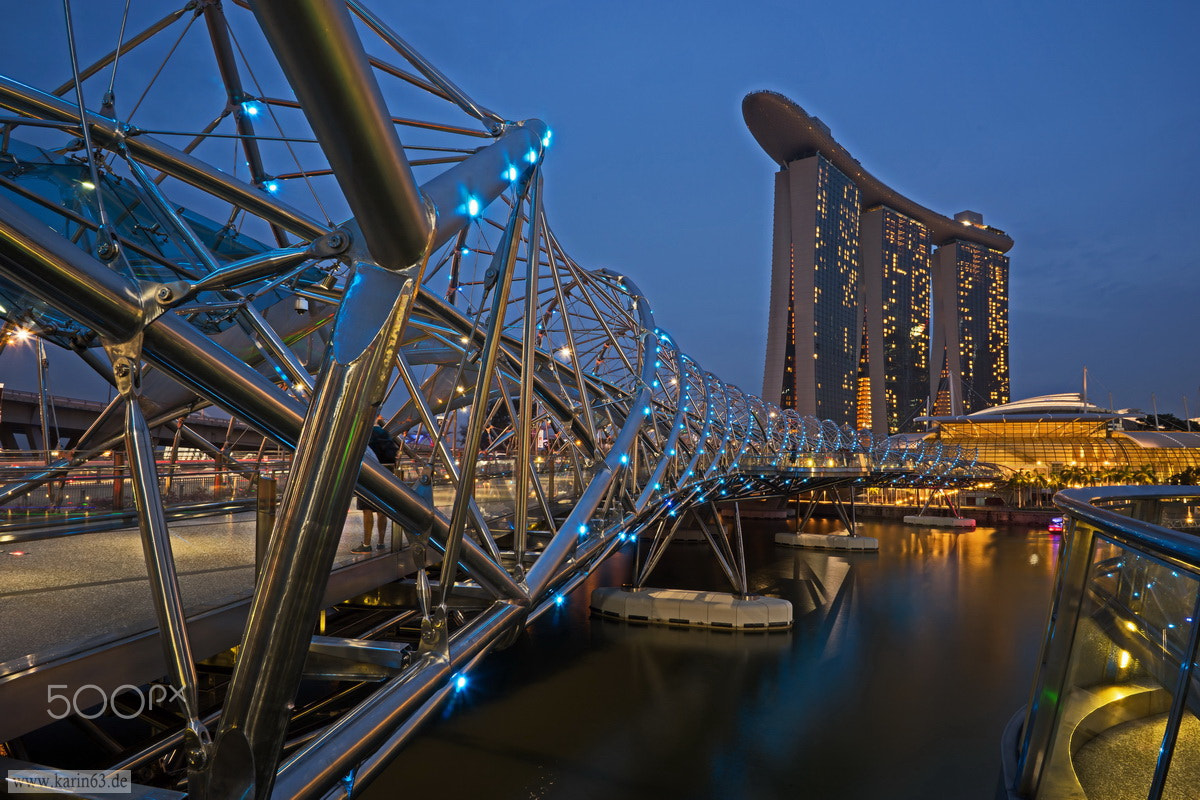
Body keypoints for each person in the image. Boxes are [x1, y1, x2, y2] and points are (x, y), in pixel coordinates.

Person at [352, 416, 400, 554]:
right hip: (386, 474)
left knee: (367, 511)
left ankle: (366, 544)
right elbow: (393, 455)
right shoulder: (385, 434)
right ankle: (381, 542)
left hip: (369, 475)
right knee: (381, 511)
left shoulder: (365, 435)